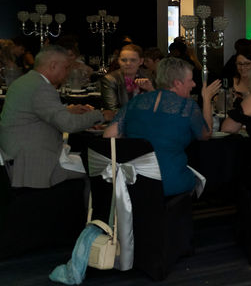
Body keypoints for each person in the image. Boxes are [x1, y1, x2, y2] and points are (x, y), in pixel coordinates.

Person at [0, 46, 115, 188]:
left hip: (18, 155)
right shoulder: (41, 87)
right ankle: (85, 203)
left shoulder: (24, 81)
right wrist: (101, 115)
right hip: (34, 161)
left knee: (88, 163)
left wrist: (66, 110)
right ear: (53, 66)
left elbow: (34, 112)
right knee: (100, 170)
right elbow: (69, 125)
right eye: (66, 68)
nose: (68, 73)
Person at [104, 57, 219, 196]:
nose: (194, 84)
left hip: (135, 182)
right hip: (170, 182)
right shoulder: (186, 107)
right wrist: (207, 99)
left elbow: (109, 135)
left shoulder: (135, 102)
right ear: (177, 83)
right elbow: (206, 134)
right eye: (190, 80)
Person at [100, 43, 155, 111]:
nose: (128, 63)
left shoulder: (148, 76)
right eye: (123, 60)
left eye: (133, 60)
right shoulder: (110, 80)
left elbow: (159, 107)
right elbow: (113, 111)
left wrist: (150, 89)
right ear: (118, 61)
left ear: (141, 61)